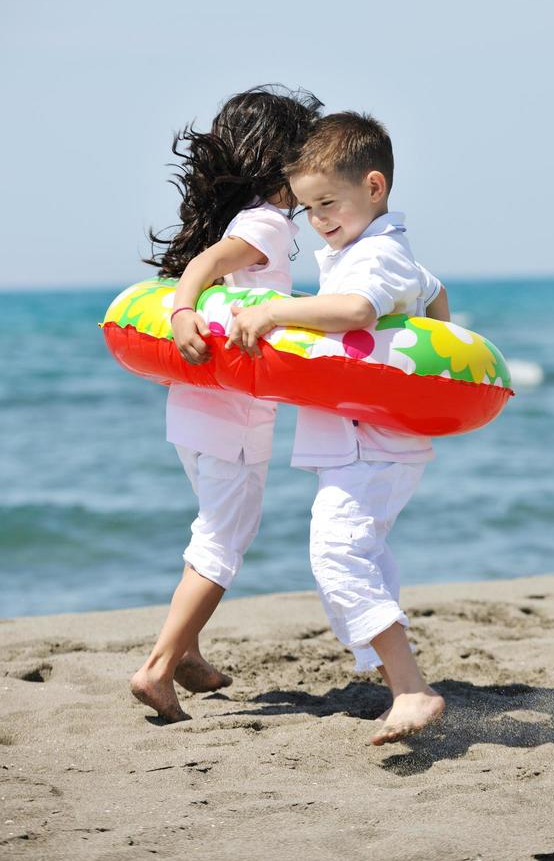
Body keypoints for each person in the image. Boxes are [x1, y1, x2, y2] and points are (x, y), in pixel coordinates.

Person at [227, 112, 449, 745]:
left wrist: (275, 310)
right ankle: (398, 682)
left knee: (336, 552)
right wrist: (430, 345)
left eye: (329, 202)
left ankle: (412, 690)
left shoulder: (377, 254)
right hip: (360, 437)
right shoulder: (368, 249)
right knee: (359, 555)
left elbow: (355, 309)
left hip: (371, 439)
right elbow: (434, 290)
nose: (318, 219)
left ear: (373, 187)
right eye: (307, 209)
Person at [131, 85, 322, 723]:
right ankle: (158, 667)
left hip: (193, 407)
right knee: (226, 536)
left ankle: (186, 654)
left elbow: (211, 262)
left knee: (214, 522)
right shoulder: (265, 222)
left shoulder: (236, 218)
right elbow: (209, 267)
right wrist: (185, 307)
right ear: (281, 162)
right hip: (234, 413)